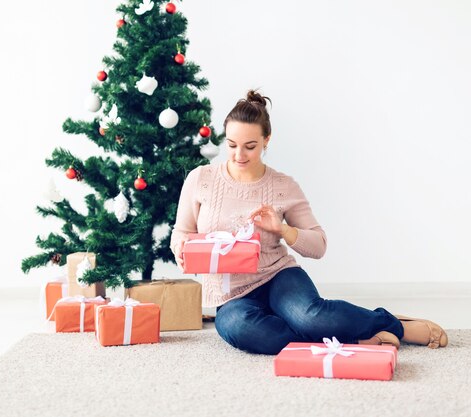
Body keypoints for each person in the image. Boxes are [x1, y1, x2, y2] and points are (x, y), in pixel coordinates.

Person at [170, 90, 448, 355]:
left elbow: (319, 245)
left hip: (278, 276)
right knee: (238, 328)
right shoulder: (201, 179)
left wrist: (283, 229)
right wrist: (181, 251)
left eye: (250, 146)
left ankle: (393, 325)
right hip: (230, 295)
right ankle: (353, 337)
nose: (239, 155)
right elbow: (181, 234)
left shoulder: (283, 186)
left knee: (310, 317)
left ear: (267, 140)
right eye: (231, 145)